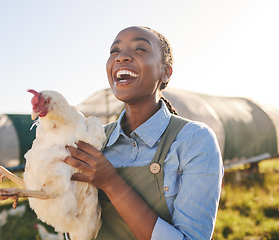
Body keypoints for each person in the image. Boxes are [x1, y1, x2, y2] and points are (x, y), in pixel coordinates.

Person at [64, 26, 224, 240]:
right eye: (115, 51)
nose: (122, 57)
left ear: (165, 72)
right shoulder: (95, 140)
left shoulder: (193, 140)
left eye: (139, 49)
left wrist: (111, 182)